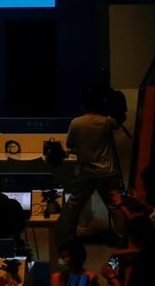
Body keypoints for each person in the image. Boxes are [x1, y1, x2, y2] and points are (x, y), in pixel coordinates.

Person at [62, 84, 122, 238]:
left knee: (74, 204)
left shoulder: (76, 123)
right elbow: (119, 121)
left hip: (85, 171)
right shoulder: (107, 122)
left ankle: (69, 235)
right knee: (115, 205)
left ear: (83, 105)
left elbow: (69, 144)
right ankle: (123, 237)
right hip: (106, 171)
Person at [100, 215, 155, 286]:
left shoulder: (142, 265)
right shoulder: (137, 245)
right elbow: (114, 257)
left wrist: (112, 278)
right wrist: (111, 265)